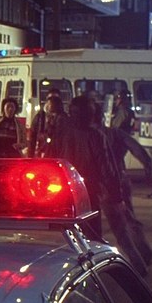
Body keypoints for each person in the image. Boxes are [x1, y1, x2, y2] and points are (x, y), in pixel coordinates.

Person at [45, 96, 123, 240]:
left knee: (69, 233)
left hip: (66, 190)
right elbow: (107, 168)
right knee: (92, 233)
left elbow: (50, 161)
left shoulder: (61, 134)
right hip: (88, 191)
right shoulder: (96, 136)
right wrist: (116, 194)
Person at [96, 106, 152, 269]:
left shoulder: (89, 135)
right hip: (119, 179)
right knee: (128, 218)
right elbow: (137, 148)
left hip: (102, 184)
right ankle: (144, 252)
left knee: (116, 225)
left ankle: (138, 262)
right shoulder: (115, 133)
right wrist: (148, 166)